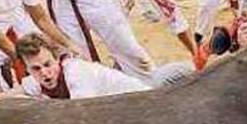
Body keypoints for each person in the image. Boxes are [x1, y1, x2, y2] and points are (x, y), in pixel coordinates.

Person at [16, 33, 153, 100]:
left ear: (57, 59)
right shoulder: (37, 80)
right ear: (27, 70)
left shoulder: (75, 73)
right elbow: (9, 94)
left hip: (143, 100)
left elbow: (81, 115)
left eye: (47, 64)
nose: (45, 73)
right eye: (36, 68)